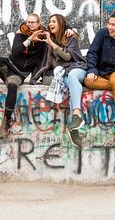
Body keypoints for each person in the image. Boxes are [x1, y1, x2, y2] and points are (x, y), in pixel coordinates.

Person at [32, 14, 87, 147]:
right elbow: (33, 26)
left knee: (73, 77)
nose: (50, 24)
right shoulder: (50, 38)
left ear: (61, 24)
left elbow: (68, 57)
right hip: (64, 72)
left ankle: (77, 113)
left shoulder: (70, 37)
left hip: (78, 68)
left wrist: (70, 30)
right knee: (73, 88)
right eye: (49, 21)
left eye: (54, 22)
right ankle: (74, 125)